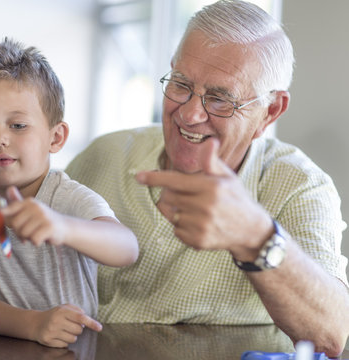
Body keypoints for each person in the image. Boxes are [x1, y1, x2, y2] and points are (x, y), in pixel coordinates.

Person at [65, 0, 349, 357]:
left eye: (219, 99)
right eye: (181, 84)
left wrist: (254, 236)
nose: (190, 113)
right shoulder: (105, 155)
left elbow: (331, 334)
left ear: (270, 111)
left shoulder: (298, 185)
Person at [0, 38, 138, 348]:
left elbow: (126, 248)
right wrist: (33, 324)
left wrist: (62, 226)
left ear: (55, 138)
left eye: (17, 125)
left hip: (74, 349)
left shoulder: (69, 197)